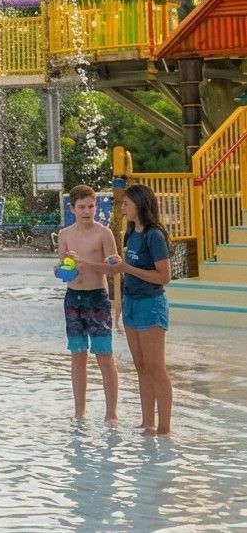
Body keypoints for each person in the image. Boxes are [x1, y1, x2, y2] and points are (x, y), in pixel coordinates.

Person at [90, 184, 172, 435]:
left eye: (126, 204)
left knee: (156, 366)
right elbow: (125, 269)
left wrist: (126, 268)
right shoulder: (130, 235)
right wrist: (114, 267)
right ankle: (147, 422)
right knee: (141, 366)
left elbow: (164, 277)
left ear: (140, 204)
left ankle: (165, 428)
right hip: (132, 303)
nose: (122, 208)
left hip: (151, 304)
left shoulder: (154, 235)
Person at [57, 184, 120, 425]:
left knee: (104, 355)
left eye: (91, 206)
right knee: (78, 355)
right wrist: (60, 269)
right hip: (73, 298)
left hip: (97, 297)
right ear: (72, 208)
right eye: (82, 207)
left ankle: (111, 412)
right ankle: (79, 411)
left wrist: (85, 262)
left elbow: (113, 268)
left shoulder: (104, 233)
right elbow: (65, 269)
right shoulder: (65, 235)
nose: (87, 211)